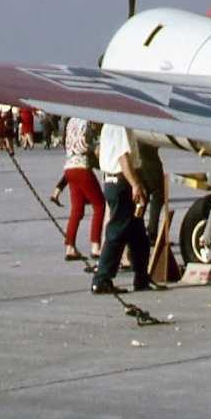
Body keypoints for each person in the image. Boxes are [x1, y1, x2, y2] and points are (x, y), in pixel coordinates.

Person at [92, 123, 154, 295]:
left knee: (137, 234)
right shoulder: (118, 125)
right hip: (121, 182)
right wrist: (135, 184)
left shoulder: (109, 125)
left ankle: (141, 276)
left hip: (114, 181)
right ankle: (102, 278)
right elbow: (123, 158)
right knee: (117, 232)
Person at [58, 118, 105, 261]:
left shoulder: (70, 122)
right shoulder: (84, 121)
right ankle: (95, 246)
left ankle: (70, 246)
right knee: (99, 206)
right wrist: (95, 147)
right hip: (82, 166)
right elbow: (83, 144)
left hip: (69, 167)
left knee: (77, 209)